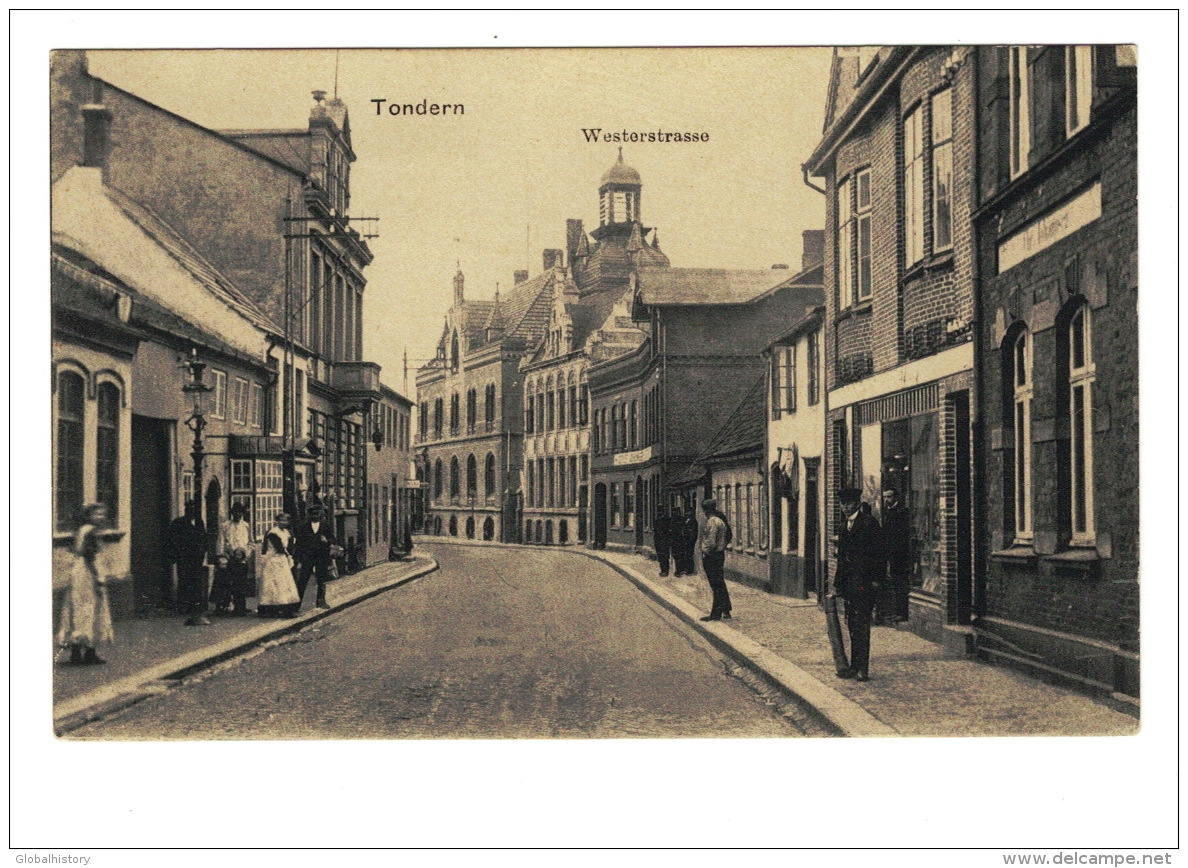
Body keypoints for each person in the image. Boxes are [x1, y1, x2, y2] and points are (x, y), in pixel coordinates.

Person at [834, 488, 885, 682]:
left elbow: (880, 554)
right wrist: (838, 584)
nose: (845, 507)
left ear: (857, 503)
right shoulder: (843, 526)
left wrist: (876, 580)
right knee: (852, 624)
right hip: (849, 585)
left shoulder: (869, 523)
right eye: (842, 504)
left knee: (862, 625)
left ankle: (863, 668)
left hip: (865, 584)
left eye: (848, 503)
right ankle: (854, 666)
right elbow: (841, 559)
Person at [57, 503, 115, 665]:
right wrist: (98, 578)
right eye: (96, 514)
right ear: (89, 516)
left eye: (102, 514)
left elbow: (76, 551)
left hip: (77, 572)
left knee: (77, 608)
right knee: (92, 608)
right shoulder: (91, 531)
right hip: (88, 573)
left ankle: (76, 651)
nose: (100, 517)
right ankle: (89, 651)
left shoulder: (81, 530)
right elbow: (90, 556)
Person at [168, 500, 210, 626]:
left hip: (197, 558)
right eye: (189, 508)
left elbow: (204, 538)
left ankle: (194, 606)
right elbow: (173, 540)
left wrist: (203, 551)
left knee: (196, 581)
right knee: (184, 581)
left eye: (193, 509)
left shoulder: (199, 522)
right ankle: (183, 606)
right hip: (184, 558)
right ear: (185, 509)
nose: (191, 511)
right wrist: (176, 555)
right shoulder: (178, 523)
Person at [213, 502, 254, 616]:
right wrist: (222, 556)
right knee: (226, 583)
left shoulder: (246, 526)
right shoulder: (225, 526)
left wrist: (246, 553)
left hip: (241, 560)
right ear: (232, 513)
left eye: (240, 512)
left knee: (240, 584)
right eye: (235, 512)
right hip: (229, 558)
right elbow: (221, 541)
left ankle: (240, 607)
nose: (238, 514)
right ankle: (224, 606)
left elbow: (251, 542)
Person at [879, 487, 912, 624]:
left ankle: (902, 613)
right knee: (895, 583)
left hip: (900, 554)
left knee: (901, 583)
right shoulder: (888, 511)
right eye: (885, 497)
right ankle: (897, 611)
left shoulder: (902, 512)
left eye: (889, 497)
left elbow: (900, 535)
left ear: (896, 497)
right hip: (891, 554)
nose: (887, 500)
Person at [294, 504, 336, 610]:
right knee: (303, 580)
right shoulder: (303, 527)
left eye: (317, 514)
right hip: (308, 557)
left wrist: (326, 540)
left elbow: (333, 539)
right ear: (310, 515)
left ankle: (321, 601)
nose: (315, 516)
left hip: (322, 556)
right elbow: (299, 543)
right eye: (313, 514)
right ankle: (296, 604)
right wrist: (299, 558)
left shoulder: (325, 526)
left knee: (321, 579)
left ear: (320, 514)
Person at [258, 513, 300, 618]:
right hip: (273, 560)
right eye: (281, 520)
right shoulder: (273, 533)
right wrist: (287, 555)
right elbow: (279, 548)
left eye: (285, 521)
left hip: (283, 559)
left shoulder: (287, 532)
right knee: (274, 584)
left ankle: (284, 607)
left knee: (284, 583)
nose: (283, 523)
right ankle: (272, 608)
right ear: (277, 521)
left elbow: (290, 545)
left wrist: (290, 554)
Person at [698, 498, 732, 622]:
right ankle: (725, 609)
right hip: (719, 554)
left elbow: (711, 542)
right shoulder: (720, 520)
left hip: (712, 556)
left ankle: (715, 614)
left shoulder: (712, 522)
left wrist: (704, 551)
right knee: (719, 583)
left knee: (716, 585)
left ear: (706, 510)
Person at [676, 507, 699, 576]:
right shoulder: (686, 520)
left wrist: (690, 540)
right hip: (684, 541)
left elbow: (693, 533)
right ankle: (686, 569)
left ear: (692, 513)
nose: (687, 513)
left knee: (689, 555)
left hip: (689, 542)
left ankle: (690, 570)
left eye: (689, 512)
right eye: (687, 512)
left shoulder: (693, 521)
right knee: (685, 555)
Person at [653, 507, 674, 577]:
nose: (659, 513)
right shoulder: (656, 520)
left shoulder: (666, 520)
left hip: (664, 541)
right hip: (658, 541)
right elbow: (655, 532)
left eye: (660, 511)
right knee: (660, 556)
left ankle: (665, 571)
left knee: (664, 556)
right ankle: (662, 570)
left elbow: (668, 531)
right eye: (658, 511)